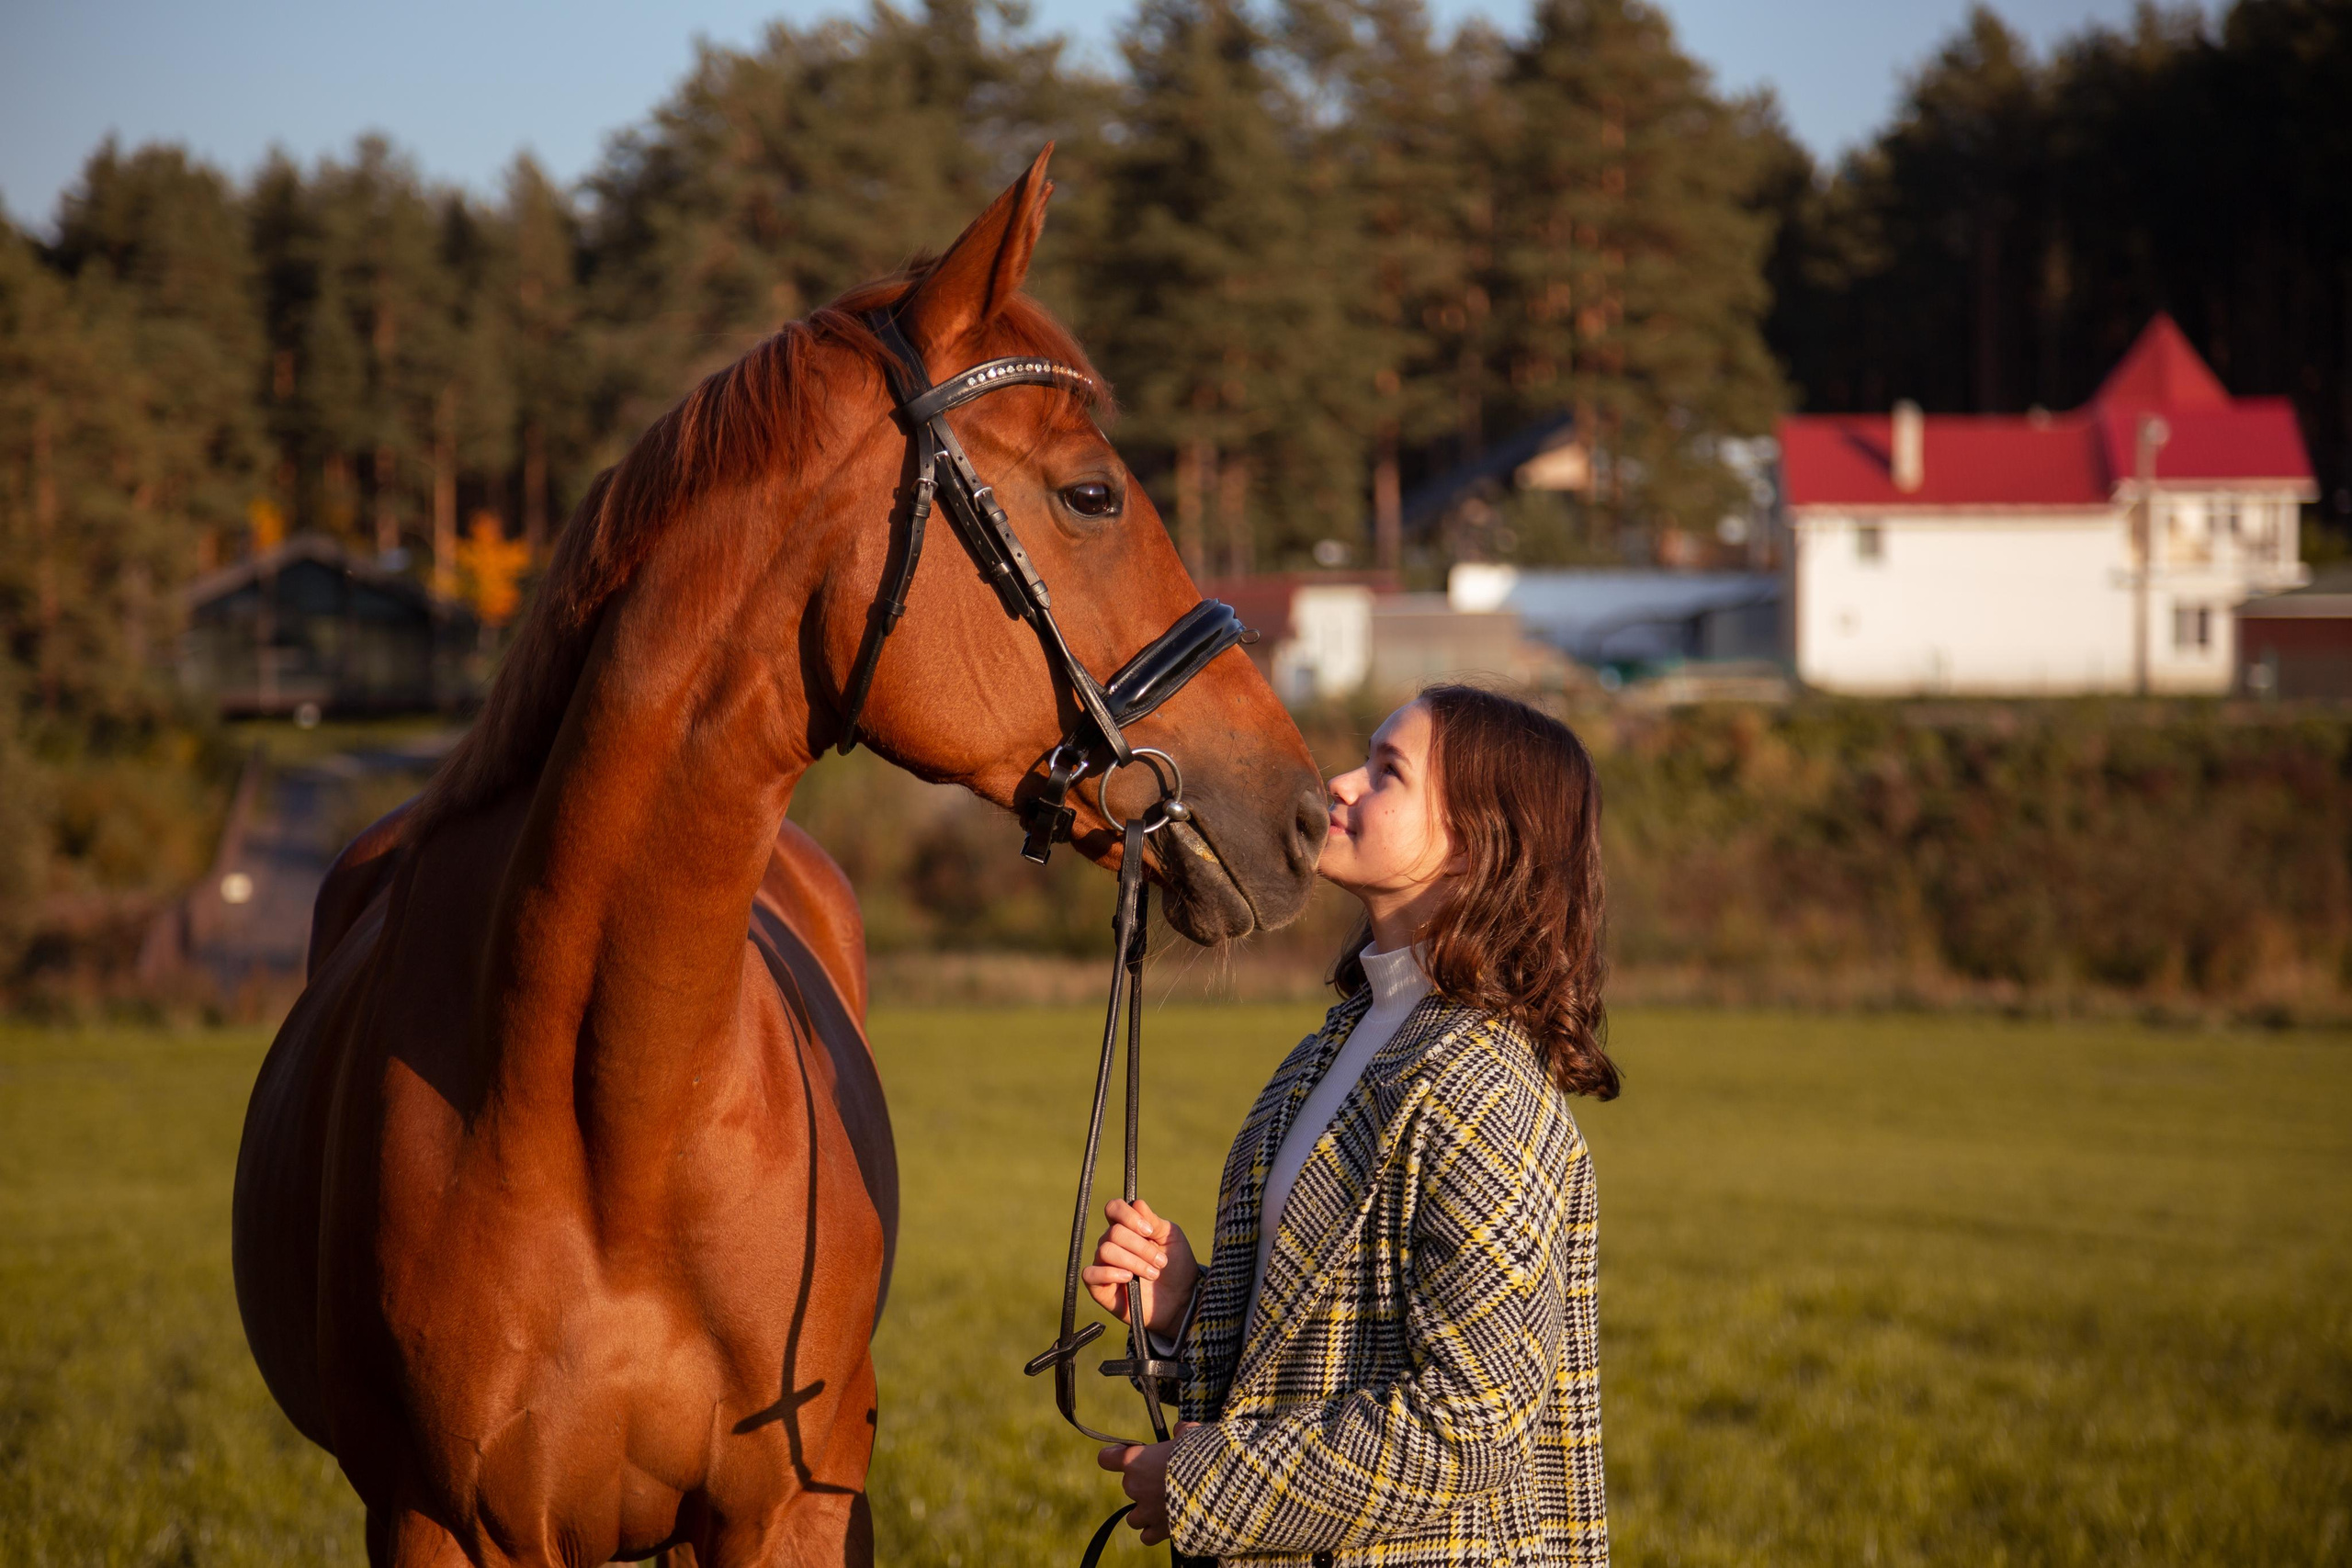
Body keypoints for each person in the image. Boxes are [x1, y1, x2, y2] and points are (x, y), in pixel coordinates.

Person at [1088, 684, 1616, 1567]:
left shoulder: (1484, 1084)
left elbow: (1472, 1424)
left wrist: (1204, 1483)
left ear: (1479, 843)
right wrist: (1188, 1306)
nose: (1339, 784)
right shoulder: (1340, 1043)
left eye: (1387, 772)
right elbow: (1330, 1340)